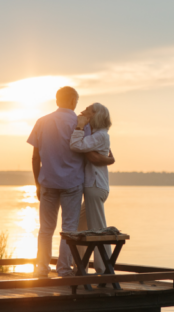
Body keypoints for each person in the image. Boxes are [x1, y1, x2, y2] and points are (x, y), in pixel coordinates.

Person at [27, 87, 114, 278]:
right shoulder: (82, 123)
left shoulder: (41, 122)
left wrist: (37, 184)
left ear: (57, 100)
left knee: (45, 229)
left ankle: (42, 268)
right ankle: (64, 269)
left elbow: (35, 157)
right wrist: (109, 160)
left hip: (47, 182)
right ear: (74, 101)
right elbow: (90, 154)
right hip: (72, 184)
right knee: (69, 230)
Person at [70, 102, 113, 273]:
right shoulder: (98, 135)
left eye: (89, 110)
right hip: (95, 187)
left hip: (95, 186)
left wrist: (79, 127)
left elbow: (76, 145)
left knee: (98, 230)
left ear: (96, 115)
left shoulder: (100, 135)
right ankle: (80, 268)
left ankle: (104, 270)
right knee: (82, 227)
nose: (85, 111)